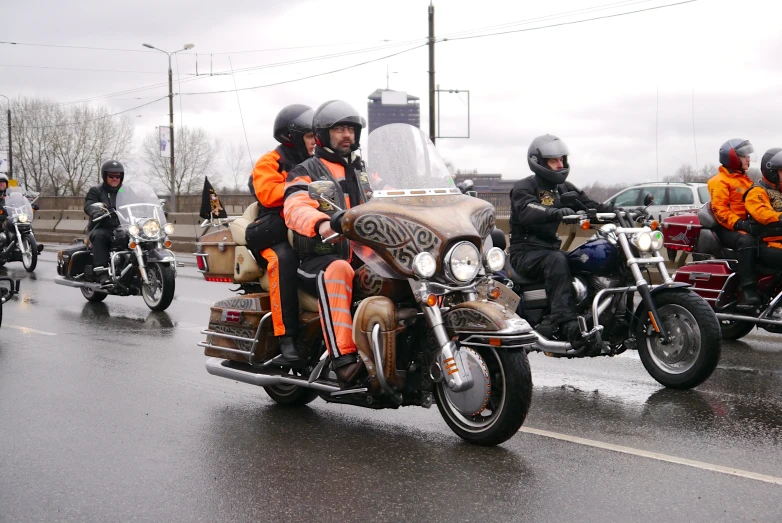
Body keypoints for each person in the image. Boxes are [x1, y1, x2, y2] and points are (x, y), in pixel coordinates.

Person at [283, 100, 371, 385]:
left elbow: (392, 196)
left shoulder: (363, 172)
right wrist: (321, 222)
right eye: (339, 129)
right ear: (323, 134)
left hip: (364, 255)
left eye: (351, 129)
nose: (347, 135)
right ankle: (342, 359)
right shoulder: (306, 170)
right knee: (338, 270)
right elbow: (295, 206)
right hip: (320, 256)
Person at [508, 134, 608, 343]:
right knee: (558, 261)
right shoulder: (524, 187)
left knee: (583, 259)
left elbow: (589, 205)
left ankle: (597, 315)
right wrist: (554, 212)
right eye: (554, 161)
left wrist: (621, 212)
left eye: (562, 160)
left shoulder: (564, 188)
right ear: (539, 162)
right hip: (525, 252)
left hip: (549, 249)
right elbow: (527, 209)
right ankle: (562, 320)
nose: (560, 164)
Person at [246, 104, 316, 367]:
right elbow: (267, 194)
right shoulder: (270, 161)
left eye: (315, 135)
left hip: (309, 227)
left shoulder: (320, 161)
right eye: (309, 136)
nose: (314, 141)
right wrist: (306, 187)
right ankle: (287, 339)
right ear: (292, 136)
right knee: (283, 260)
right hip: (275, 228)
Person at [707, 139, 761, 306]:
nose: (748, 159)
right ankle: (747, 290)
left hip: (745, 225)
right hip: (726, 229)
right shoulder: (720, 181)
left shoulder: (744, 179)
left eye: (748, 156)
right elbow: (719, 210)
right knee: (748, 242)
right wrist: (740, 224)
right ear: (732, 157)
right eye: (744, 156)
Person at [84, 160, 124, 283]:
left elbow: (135, 203)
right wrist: (95, 211)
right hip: (102, 226)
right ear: (105, 176)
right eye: (111, 176)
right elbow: (89, 204)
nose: (115, 179)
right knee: (100, 236)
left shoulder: (124, 191)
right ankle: (101, 273)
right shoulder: (96, 190)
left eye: (118, 176)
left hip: (123, 227)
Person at [744, 148, 782, 273]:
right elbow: (762, 213)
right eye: (781, 171)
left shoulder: (779, 190)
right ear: (772, 172)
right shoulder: (757, 191)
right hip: (768, 243)